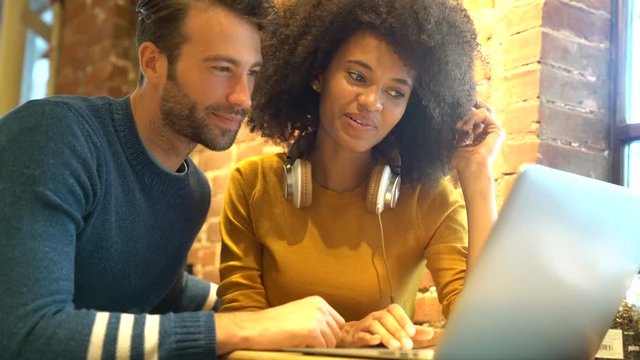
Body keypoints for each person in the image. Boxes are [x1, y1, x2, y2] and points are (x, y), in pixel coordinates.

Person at [0, 1, 345, 359]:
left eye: (252, 72)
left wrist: (326, 326)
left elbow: (160, 291)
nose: (243, 97)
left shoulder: (191, 192)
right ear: (152, 62)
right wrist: (243, 327)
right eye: (222, 68)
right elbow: (26, 334)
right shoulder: (56, 136)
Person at [217, 0, 504, 351]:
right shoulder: (253, 185)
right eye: (357, 76)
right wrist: (342, 336)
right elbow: (240, 334)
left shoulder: (430, 201)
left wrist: (477, 176)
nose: (372, 102)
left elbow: (486, 334)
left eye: (396, 92)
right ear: (318, 73)